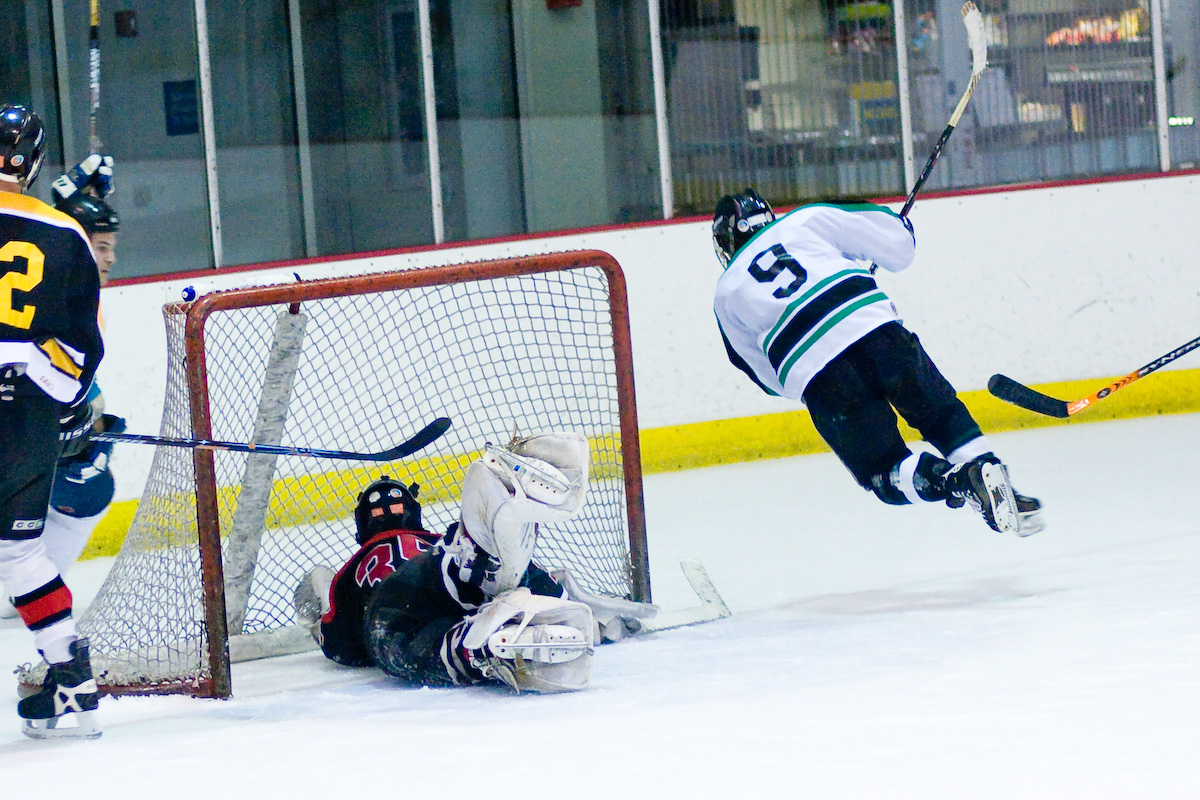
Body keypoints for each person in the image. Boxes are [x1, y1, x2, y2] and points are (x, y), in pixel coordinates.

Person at [711, 188, 1043, 536]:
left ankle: (955, 479)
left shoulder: (725, 292)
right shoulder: (804, 220)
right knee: (942, 416)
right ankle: (994, 478)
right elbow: (898, 247)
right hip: (875, 331)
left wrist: (808, 376)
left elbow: (765, 376)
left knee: (885, 472)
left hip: (819, 375)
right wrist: (902, 232)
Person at [294, 430, 655, 693]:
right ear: (415, 518)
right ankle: (498, 565)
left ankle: (480, 650)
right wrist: (565, 597)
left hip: (393, 608)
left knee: (406, 645)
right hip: (439, 569)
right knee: (473, 573)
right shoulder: (432, 543)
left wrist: (332, 631)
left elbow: (341, 646)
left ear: (362, 529)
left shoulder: (352, 570)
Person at [0, 104, 105, 738]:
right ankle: (72, 679)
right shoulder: (66, 235)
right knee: (18, 553)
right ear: (35, 164)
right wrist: (65, 409)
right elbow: (84, 351)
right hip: (27, 412)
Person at [0, 158, 125, 620]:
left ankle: (29, 587)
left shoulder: (58, 260)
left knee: (88, 480)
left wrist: (78, 192)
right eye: (103, 246)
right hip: (20, 415)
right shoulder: (60, 252)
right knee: (82, 476)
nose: (110, 257)